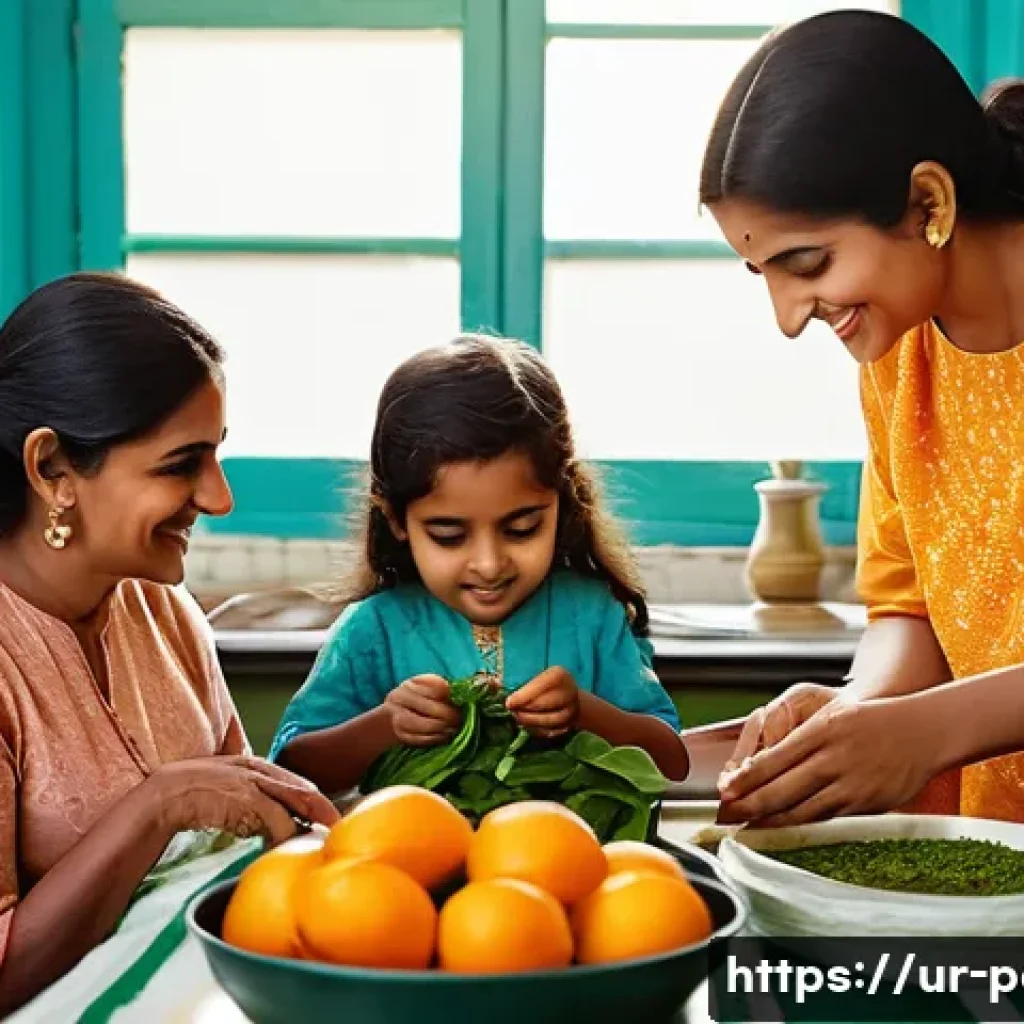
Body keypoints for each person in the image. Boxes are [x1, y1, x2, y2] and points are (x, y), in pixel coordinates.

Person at [699, 9, 1024, 826]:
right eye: (760, 273)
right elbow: (907, 609)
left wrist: (927, 729)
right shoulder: (898, 359)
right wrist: (858, 711)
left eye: (806, 263)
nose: (786, 315)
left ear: (927, 202)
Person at [0, 273, 337, 1013]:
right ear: (53, 468)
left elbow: (244, 854)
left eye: (216, 454)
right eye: (182, 464)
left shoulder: (165, 611)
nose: (220, 498)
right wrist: (157, 807)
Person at [269, 335, 689, 793]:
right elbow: (292, 773)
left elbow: (671, 761)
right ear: (396, 520)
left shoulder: (593, 616)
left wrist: (588, 715)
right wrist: (384, 726)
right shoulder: (374, 629)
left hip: (568, 861)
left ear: (561, 504)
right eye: (449, 537)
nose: (489, 565)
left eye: (522, 529)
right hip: (406, 862)